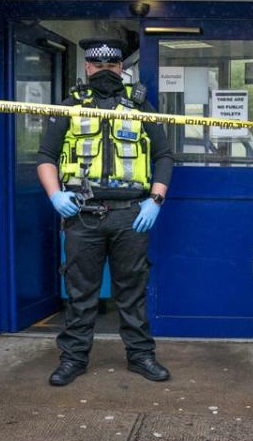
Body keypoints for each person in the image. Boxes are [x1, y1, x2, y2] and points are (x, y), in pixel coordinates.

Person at [37, 38, 174, 386]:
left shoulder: (141, 108)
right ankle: (73, 358)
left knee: (132, 291)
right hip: (82, 214)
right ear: (87, 68)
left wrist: (155, 200)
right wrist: (55, 196)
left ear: (121, 69)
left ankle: (141, 356)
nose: (105, 72)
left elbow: (164, 157)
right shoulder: (69, 107)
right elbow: (46, 158)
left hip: (131, 214)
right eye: (98, 66)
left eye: (112, 66)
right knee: (81, 293)